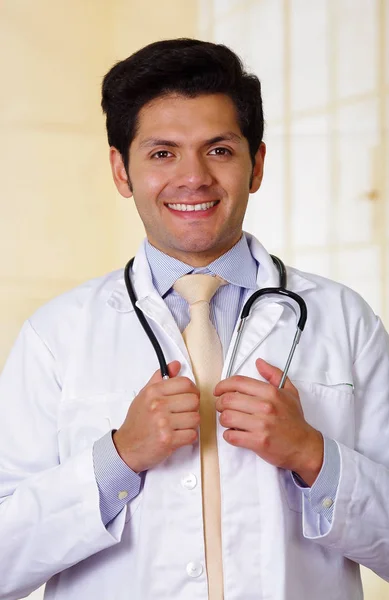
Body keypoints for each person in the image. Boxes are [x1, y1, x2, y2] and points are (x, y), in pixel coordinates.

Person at [0, 38, 389, 600]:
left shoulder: (345, 320)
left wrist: (311, 454)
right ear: (121, 171)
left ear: (256, 165)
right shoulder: (55, 337)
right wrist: (117, 458)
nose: (193, 178)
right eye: (162, 153)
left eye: (219, 150)